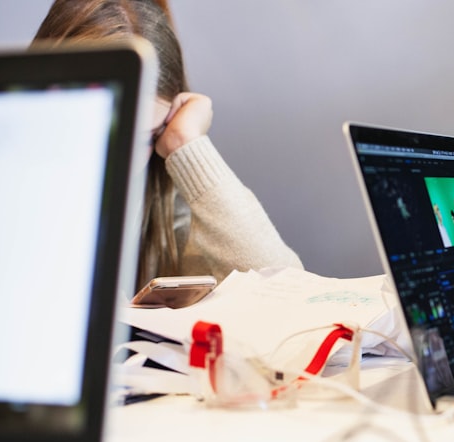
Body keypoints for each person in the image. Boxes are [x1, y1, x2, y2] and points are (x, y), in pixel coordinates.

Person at [32, 0, 302, 290]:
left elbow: (285, 291)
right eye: (104, 134)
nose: (124, 164)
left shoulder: (159, 196)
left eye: (145, 139)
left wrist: (187, 144)